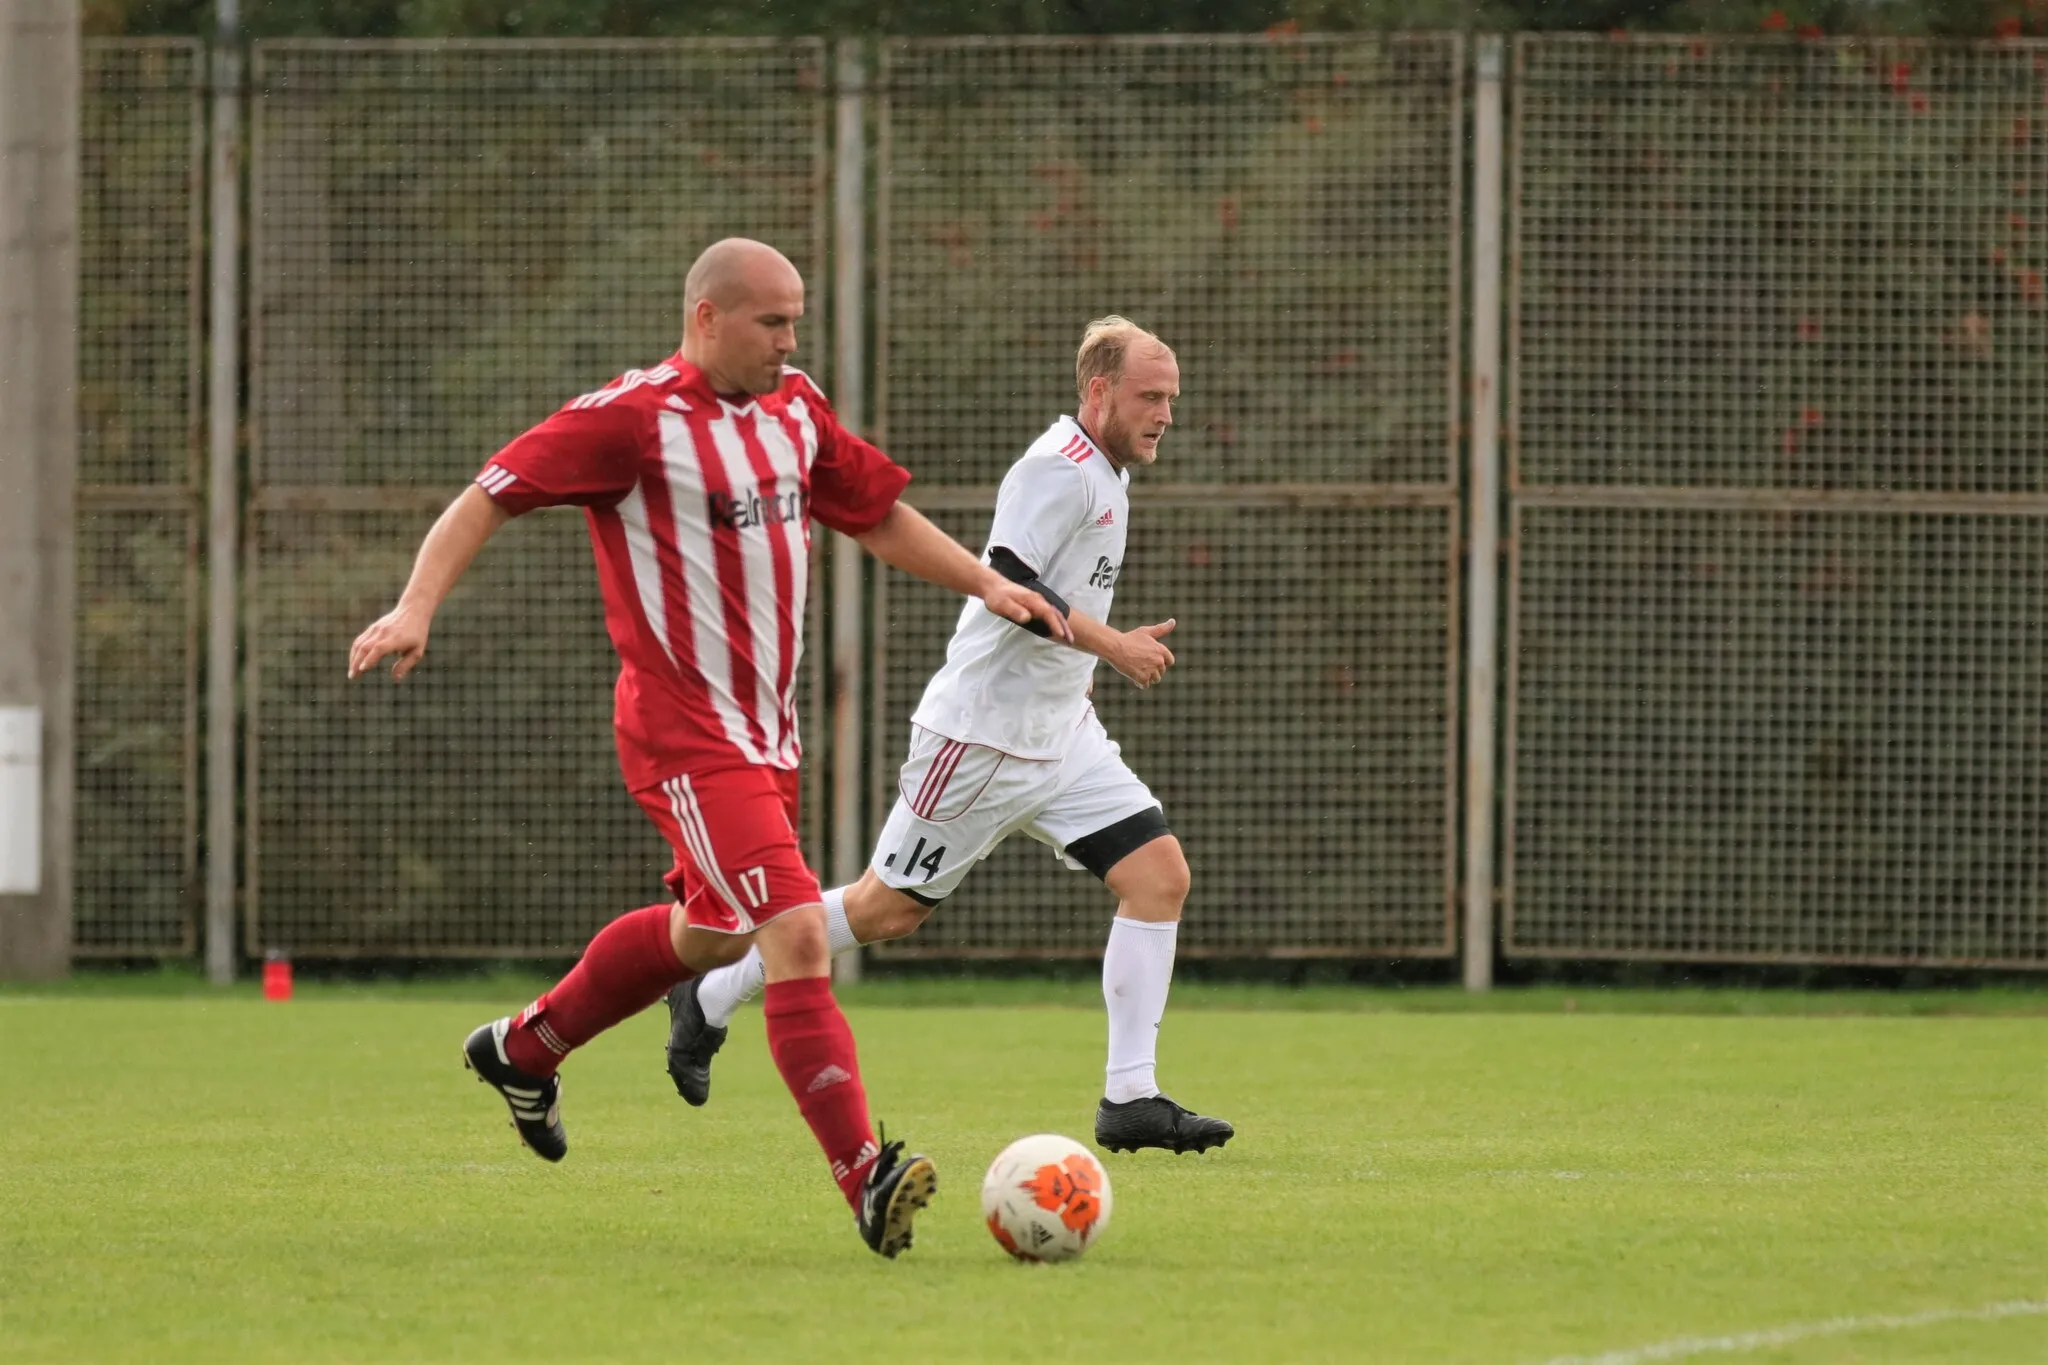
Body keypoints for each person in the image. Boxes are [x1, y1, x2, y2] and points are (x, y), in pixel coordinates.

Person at [345, 238, 1069, 1258]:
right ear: (706, 318)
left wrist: (985, 582)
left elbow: (875, 515)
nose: (789, 341)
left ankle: (524, 1048)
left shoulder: (793, 410)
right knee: (797, 935)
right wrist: (416, 605)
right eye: (771, 322)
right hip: (683, 736)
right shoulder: (633, 420)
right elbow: (488, 494)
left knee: (712, 936)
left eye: (796, 320)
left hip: (767, 736)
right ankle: (865, 1175)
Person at [664, 316, 1234, 1156]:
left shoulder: (1109, 470)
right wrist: (1113, 645)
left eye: (1172, 399)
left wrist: (1087, 664)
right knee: (885, 910)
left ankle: (1131, 1098)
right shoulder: (1058, 467)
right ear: (1098, 391)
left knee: (1159, 875)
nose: (1165, 415)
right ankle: (711, 991)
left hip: (1063, 735)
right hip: (979, 742)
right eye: (1151, 397)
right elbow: (1006, 577)